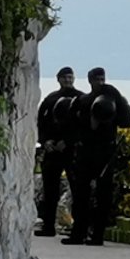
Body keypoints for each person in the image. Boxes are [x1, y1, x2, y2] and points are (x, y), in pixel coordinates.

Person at [62, 67, 130, 246]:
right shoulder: (82, 100)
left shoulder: (111, 95)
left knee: (103, 194)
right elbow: (72, 124)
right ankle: (78, 233)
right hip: (86, 151)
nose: (101, 83)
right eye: (97, 80)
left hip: (105, 152)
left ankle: (97, 235)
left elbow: (127, 121)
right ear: (90, 81)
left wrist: (112, 112)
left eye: (102, 79)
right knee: (80, 194)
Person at [34, 66, 84, 237]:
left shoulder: (80, 99)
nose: (68, 81)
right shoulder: (50, 99)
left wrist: (69, 142)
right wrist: (45, 141)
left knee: (78, 189)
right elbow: (40, 122)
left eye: (70, 77)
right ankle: (48, 226)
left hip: (72, 151)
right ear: (59, 79)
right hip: (52, 149)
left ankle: (78, 228)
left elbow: (83, 126)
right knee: (50, 189)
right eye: (65, 78)